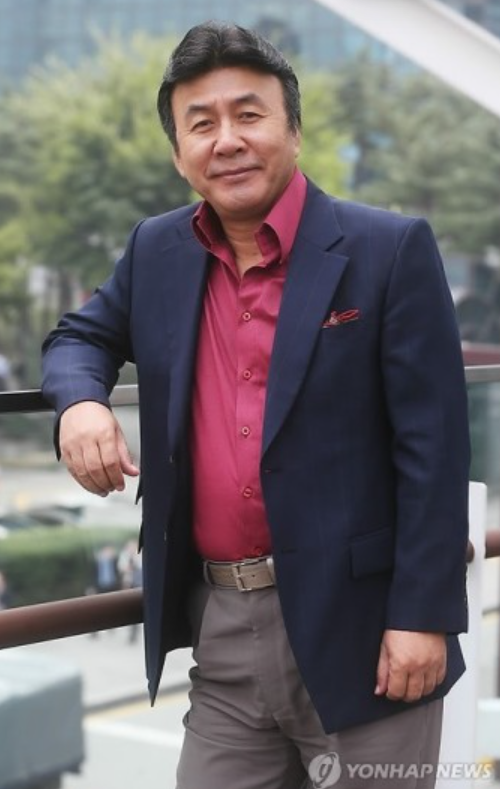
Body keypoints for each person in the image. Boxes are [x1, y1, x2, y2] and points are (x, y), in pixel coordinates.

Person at [42, 21, 470, 789]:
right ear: (179, 154)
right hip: (222, 628)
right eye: (201, 123)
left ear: (293, 131)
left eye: (249, 114)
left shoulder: (388, 249)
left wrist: (422, 614)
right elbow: (79, 336)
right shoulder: (157, 250)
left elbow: (434, 448)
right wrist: (80, 404)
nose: (228, 140)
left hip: (367, 631)